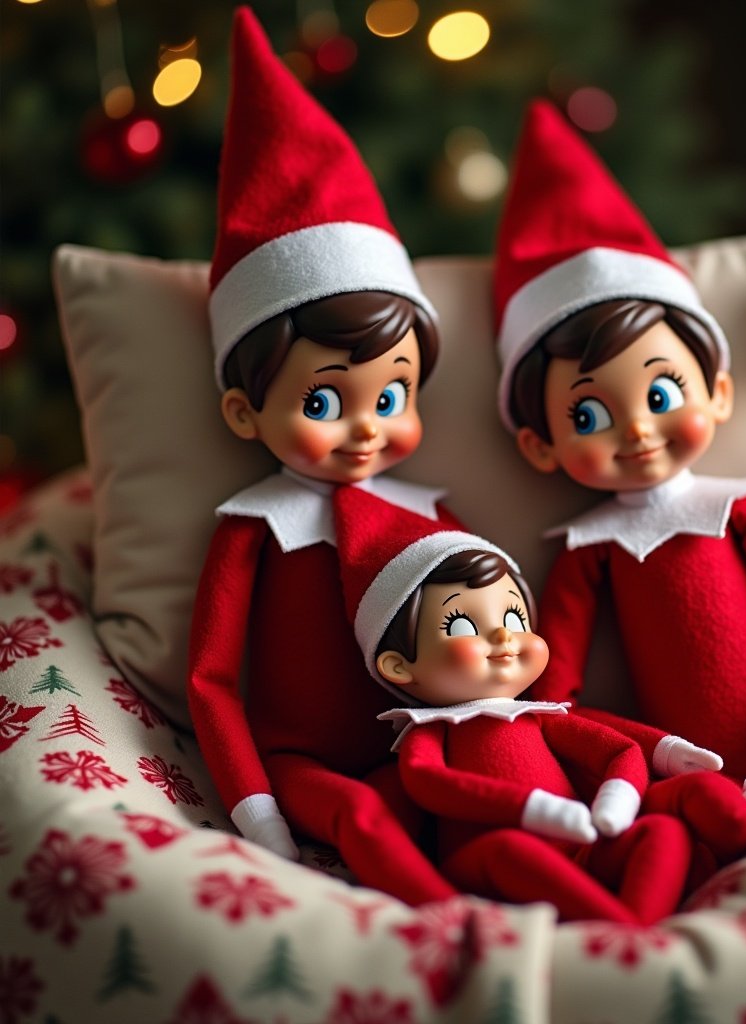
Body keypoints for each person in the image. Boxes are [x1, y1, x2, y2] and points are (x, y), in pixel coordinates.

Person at [492, 99, 746, 818]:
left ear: (719, 393)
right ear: (540, 445)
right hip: (679, 799)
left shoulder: (739, 518)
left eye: (662, 392)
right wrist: (647, 759)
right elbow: (553, 702)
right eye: (589, 414)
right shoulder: (587, 555)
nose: (637, 430)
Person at [187, 7, 457, 906]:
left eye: (391, 397)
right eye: (320, 402)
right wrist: (254, 804)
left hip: (421, 745)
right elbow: (213, 679)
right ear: (242, 409)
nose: (367, 428)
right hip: (300, 768)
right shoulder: (253, 526)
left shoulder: (425, 511)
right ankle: (443, 929)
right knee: (366, 823)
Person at [330, 499, 693, 923]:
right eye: (461, 625)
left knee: (663, 832)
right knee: (511, 852)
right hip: (486, 866)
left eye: (516, 618)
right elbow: (428, 783)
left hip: (583, 845)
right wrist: (533, 809)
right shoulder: (435, 731)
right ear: (399, 665)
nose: (504, 635)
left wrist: (615, 803)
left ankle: (640, 927)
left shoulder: (542, 717)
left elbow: (620, 752)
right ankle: (618, 932)